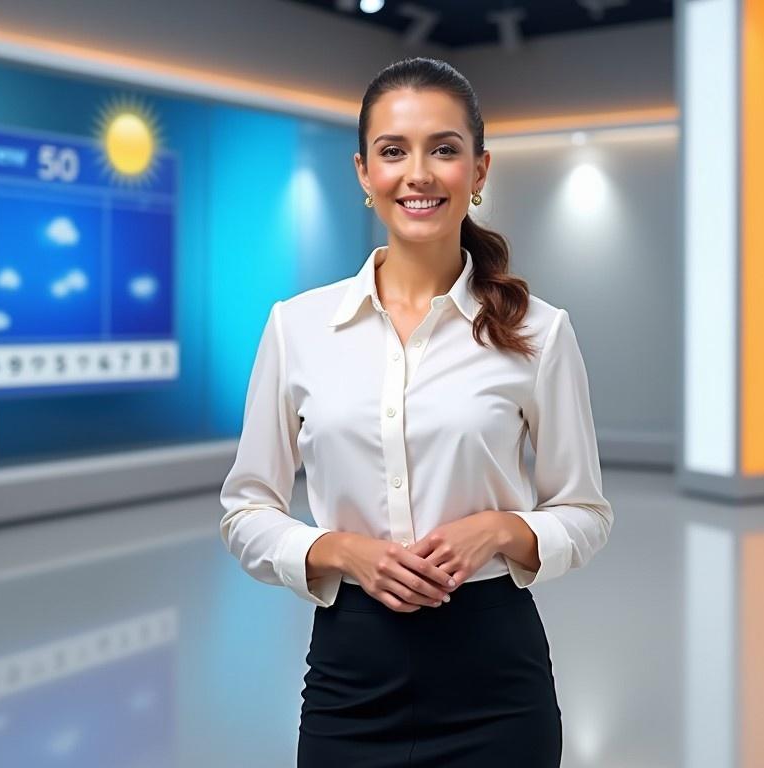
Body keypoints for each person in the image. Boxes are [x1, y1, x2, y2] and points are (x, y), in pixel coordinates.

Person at [219, 56, 613, 768]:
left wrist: (497, 530)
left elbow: (585, 514)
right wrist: (338, 550)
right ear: (364, 173)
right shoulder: (297, 327)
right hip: (350, 676)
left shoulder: (540, 332)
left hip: (497, 679)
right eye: (394, 151)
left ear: (480, 170)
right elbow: (246, 509)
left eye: (445, 149)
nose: (419, 173)